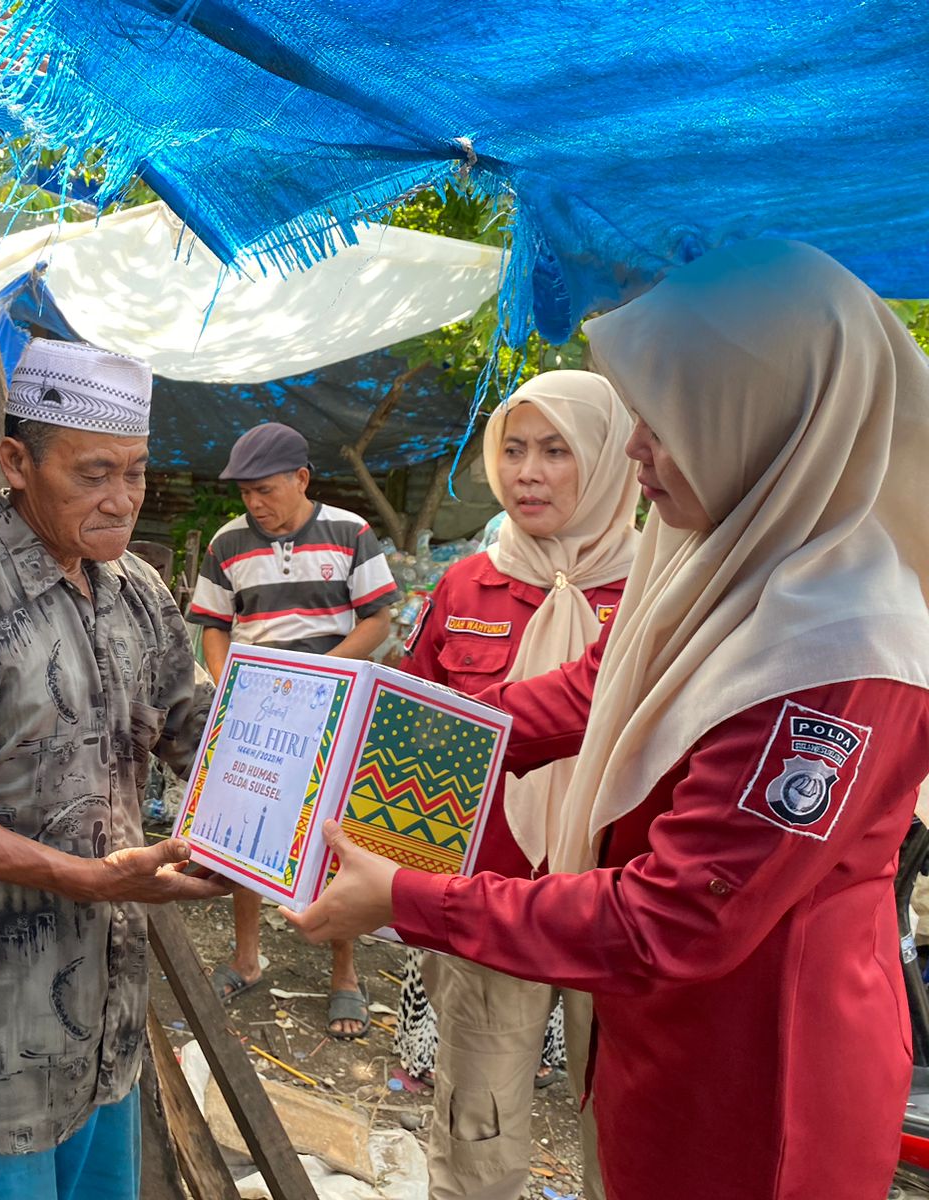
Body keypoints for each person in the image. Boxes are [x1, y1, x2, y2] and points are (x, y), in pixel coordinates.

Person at [286, 239, 929, 1198]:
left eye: (661, 422)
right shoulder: (719, 558)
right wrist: (368, 746)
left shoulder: (841, 654)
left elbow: (673, 915)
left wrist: (409, 898)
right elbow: (594, 694)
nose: (629, 453)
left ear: (764, 422)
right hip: (652, 1031)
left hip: (757, 1080)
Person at [0, 337, 230, 1200]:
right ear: (16, 461)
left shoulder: (134, 589)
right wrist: (85, 879)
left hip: (105, 1026)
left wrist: (302, 789)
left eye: (134, 473)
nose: (122, 499)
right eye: (93, 473)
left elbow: (194, 729)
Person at [397, 370, 637, 1200]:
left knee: (627, 1123)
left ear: (610, 461)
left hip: (623, 905)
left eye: (557, 450)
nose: (528, 472)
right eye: (514, 449)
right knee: (477, 1121)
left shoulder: (662, 589)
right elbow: (417, 741)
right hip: (489, 895)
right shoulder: (466, 586)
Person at [188, 421, 398, 1036]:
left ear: (302, 479)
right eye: (246, 493)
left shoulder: (350, 531)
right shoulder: (228, 544)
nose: (255, 504)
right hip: (256, 711)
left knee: (335, 834)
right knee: (250, 833)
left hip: (333, 707)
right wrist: (231, 687)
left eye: (266, 490)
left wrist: (319, 678)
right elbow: (214, 626)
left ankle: (345, 973)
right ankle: (248, 959)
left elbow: (378, 620)